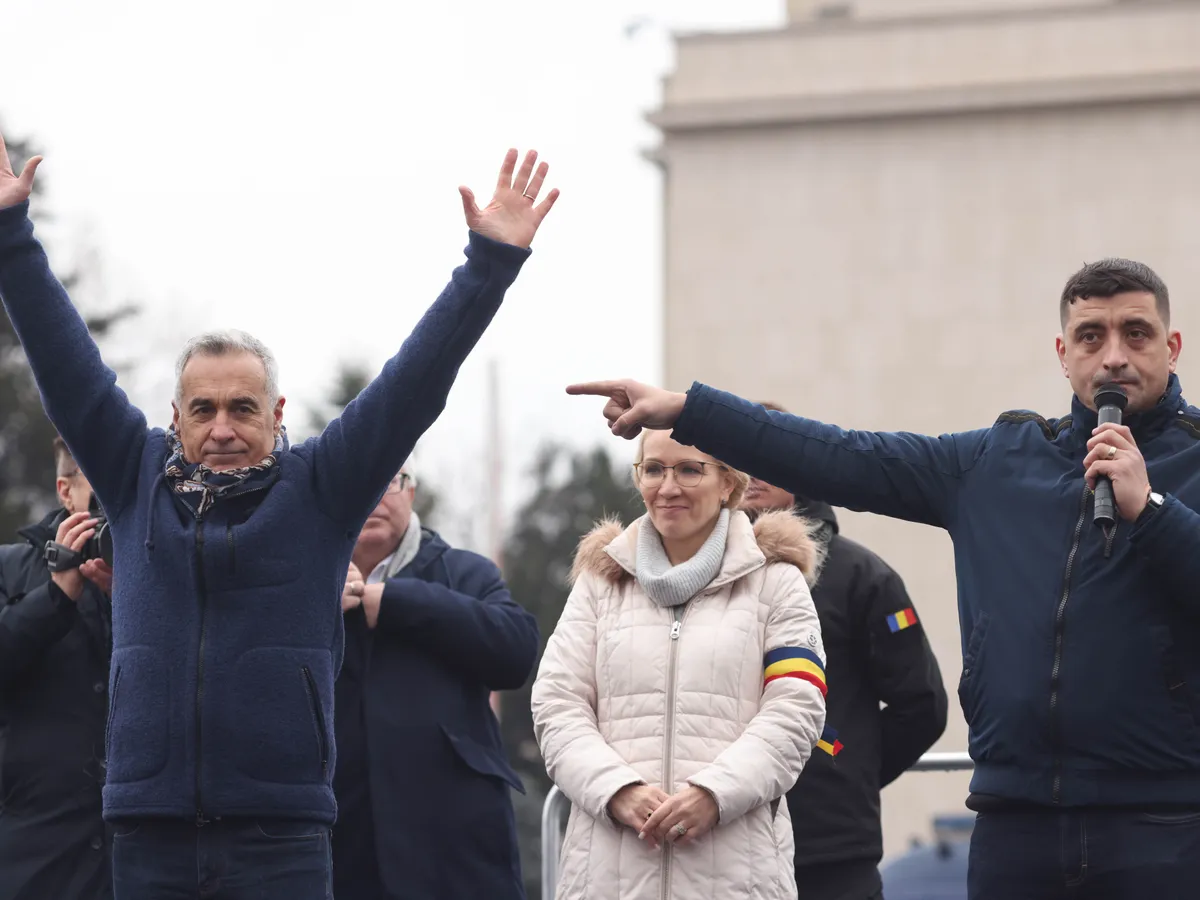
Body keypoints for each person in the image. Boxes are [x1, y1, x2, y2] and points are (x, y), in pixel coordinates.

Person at [0, 135, 558, 899]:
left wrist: (488, 266)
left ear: (278, 413)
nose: (222, 427)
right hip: (146, 836)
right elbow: (65, 369)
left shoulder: (322, 489)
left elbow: (414, 384)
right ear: (175, 417)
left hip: (280, 842)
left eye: (243, 407)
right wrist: (11, 236)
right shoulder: (131, 478)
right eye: (203, 409)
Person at [568, 257, 1200, 899]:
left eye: (1136, 334)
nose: (1113, 356)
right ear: (1064, 354)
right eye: (1091, 336)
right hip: (1017, 824)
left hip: (1165, 823)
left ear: (1172, 347)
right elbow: (842, 454)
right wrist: (689, 411)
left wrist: (1151, 510)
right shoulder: (996, 462)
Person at [531, 429, 828, 900]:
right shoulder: (599, 582)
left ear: (728, 483)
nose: (668, 487)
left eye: (689, 470)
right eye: (653, 469)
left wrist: (714, 795)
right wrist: (618, 790)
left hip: (737, 878)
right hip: (605, 879)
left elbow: (797, 709)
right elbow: (556, 704)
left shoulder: (777, 582)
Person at [740, 410, 948, 900]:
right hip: (721, 848)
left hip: (830, 851)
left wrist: (844, 765)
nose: (751, 473)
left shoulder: (861, 576)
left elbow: (922, 706)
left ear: (798, 465)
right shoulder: (695, 576)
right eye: (737, 459)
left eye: (764, 457)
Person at [332, 460, 538, 900]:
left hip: (455, 852)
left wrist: (396, 603)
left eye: (389, 480)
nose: (375, 495)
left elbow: (516, 652)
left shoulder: (464, 572)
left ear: (411, 492)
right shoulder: (305, 581)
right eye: (361, 478)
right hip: (341, 851)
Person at [0, 438, 114, 900]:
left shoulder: (157, 573)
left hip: (138, 851)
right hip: (37, 850)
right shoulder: (9, 568)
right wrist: (55, 594)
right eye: (100, 489)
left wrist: (131, 602)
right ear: (66, 492)